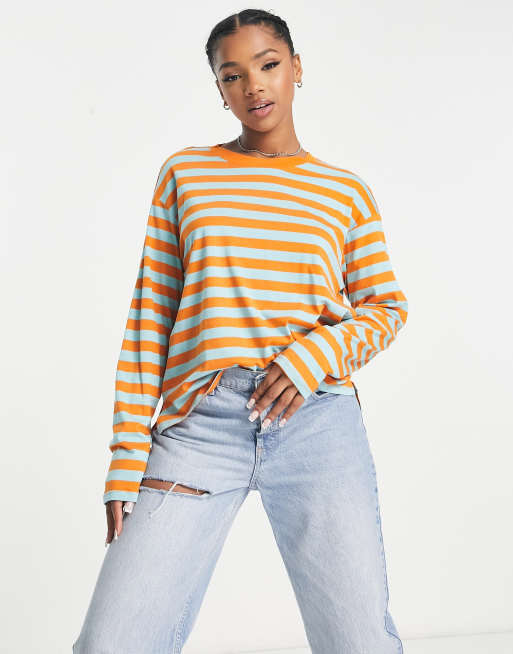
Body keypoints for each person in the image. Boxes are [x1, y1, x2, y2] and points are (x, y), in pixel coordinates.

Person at [73, 8, 408, 653]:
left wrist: (313, 355)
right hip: (201, 423)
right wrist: (126, 456)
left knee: (359, 642)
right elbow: (151, 316)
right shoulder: (187, 176)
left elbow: (385, 308)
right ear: (220, 89)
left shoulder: (345, 193)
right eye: (232, 75)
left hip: (316, 421)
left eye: (268, 65)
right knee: (110, 643)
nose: (253, 85)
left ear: (296, 68)